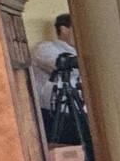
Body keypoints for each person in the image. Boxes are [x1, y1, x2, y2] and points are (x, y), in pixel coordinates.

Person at [31, 12, 82, 146]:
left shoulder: (78, 51)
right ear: (64, 29)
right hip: (55, 113)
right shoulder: (45, 48)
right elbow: (59, 64)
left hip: (78, 111)